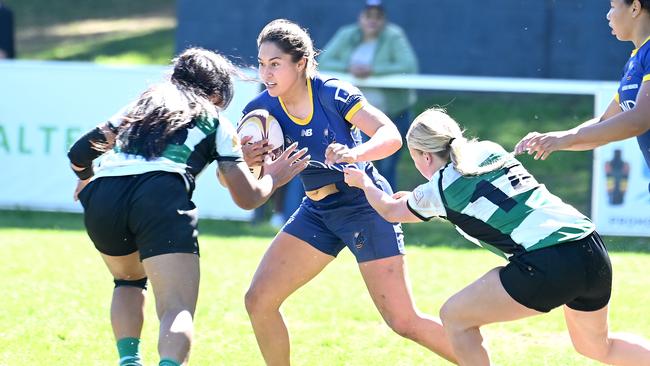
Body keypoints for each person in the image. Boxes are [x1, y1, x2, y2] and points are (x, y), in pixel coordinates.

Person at [344, 108, 650, 366]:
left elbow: (390, 210)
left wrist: (363, 183)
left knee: (455, 317)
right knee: (598, 347)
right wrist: (415, 197)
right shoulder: (488, 149)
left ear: (424, 156)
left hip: (548, 260)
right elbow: (481, 195)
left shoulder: (437, 189)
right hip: (589, 246)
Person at [67, 47, 308, 366]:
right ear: (213, 92)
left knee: (127, 281)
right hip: (159, 195)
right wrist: (273, 176)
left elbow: (79, 152)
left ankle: (129, 361)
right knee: (176, 307)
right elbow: (247, 198)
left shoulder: (143, 103)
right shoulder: (216, 120)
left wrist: (85, 179)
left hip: (104, 196)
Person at [241, 19, 456, 365]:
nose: (266, 73)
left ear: (302, 63)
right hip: (316, 213)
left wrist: (355, 153)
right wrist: (247, 163)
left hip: (364, 206)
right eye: (262, 63)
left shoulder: (331, 93)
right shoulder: (261, 110)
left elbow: (390, 136)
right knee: (258, 301)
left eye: (275, 64)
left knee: (403, 322)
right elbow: (238, 180)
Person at [514, 0, 650, 177]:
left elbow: (638, 120)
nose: (608, 15)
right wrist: (556, 139)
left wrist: (567, 138)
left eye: (613, 6)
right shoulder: (636, 60)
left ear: (634, 8)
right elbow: (604, 124)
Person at [319, 0, 418, 190]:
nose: (372, 21)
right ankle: (360, 208)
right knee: (357, 165)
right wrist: (350, 69)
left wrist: (371, 70)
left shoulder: (394, 36)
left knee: (387, 166)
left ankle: (390, 208)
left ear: (384, 20)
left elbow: (408, 66)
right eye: (368, 16)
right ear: (360, 18)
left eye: (378, 17)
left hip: (393, 113)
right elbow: (324, 62)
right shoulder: (346, 34)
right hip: (356, 117)